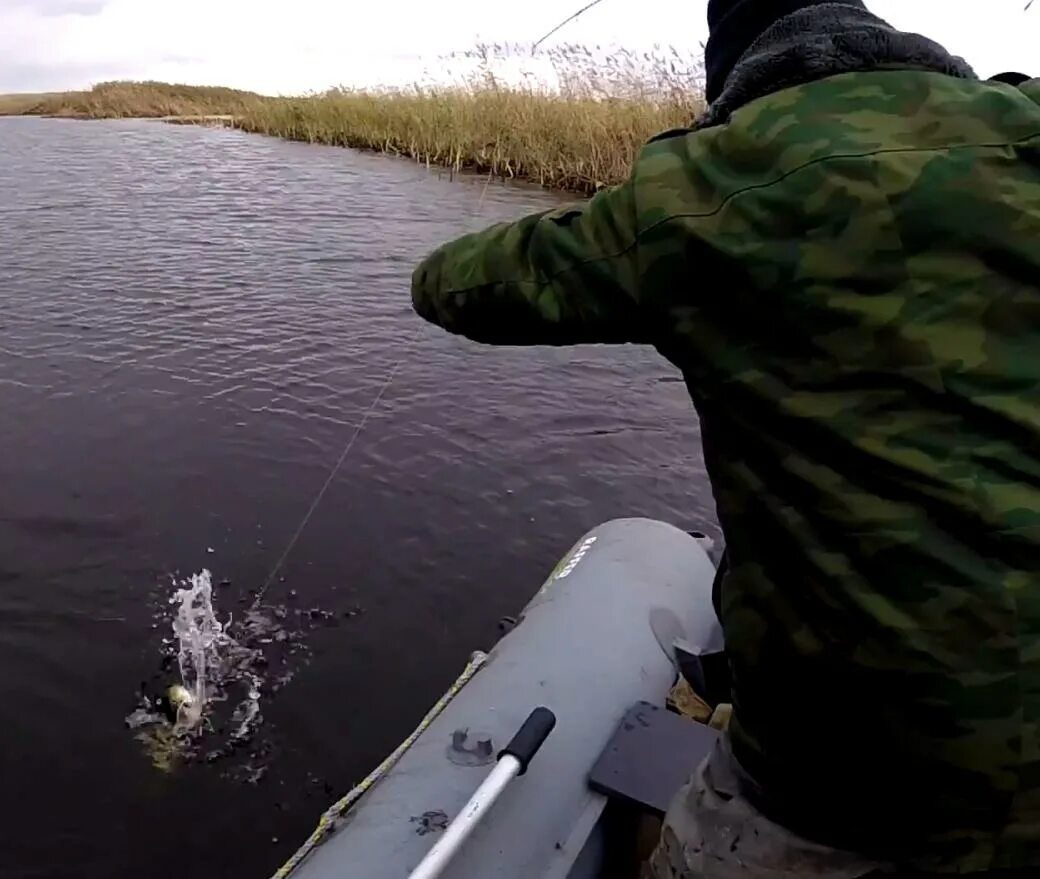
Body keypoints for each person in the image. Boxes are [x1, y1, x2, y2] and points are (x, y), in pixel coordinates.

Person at [409, 0, 1040, 875]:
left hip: (847, 784)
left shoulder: (706, 192)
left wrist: (673, 178)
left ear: (736, 69)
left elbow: (446, 284)